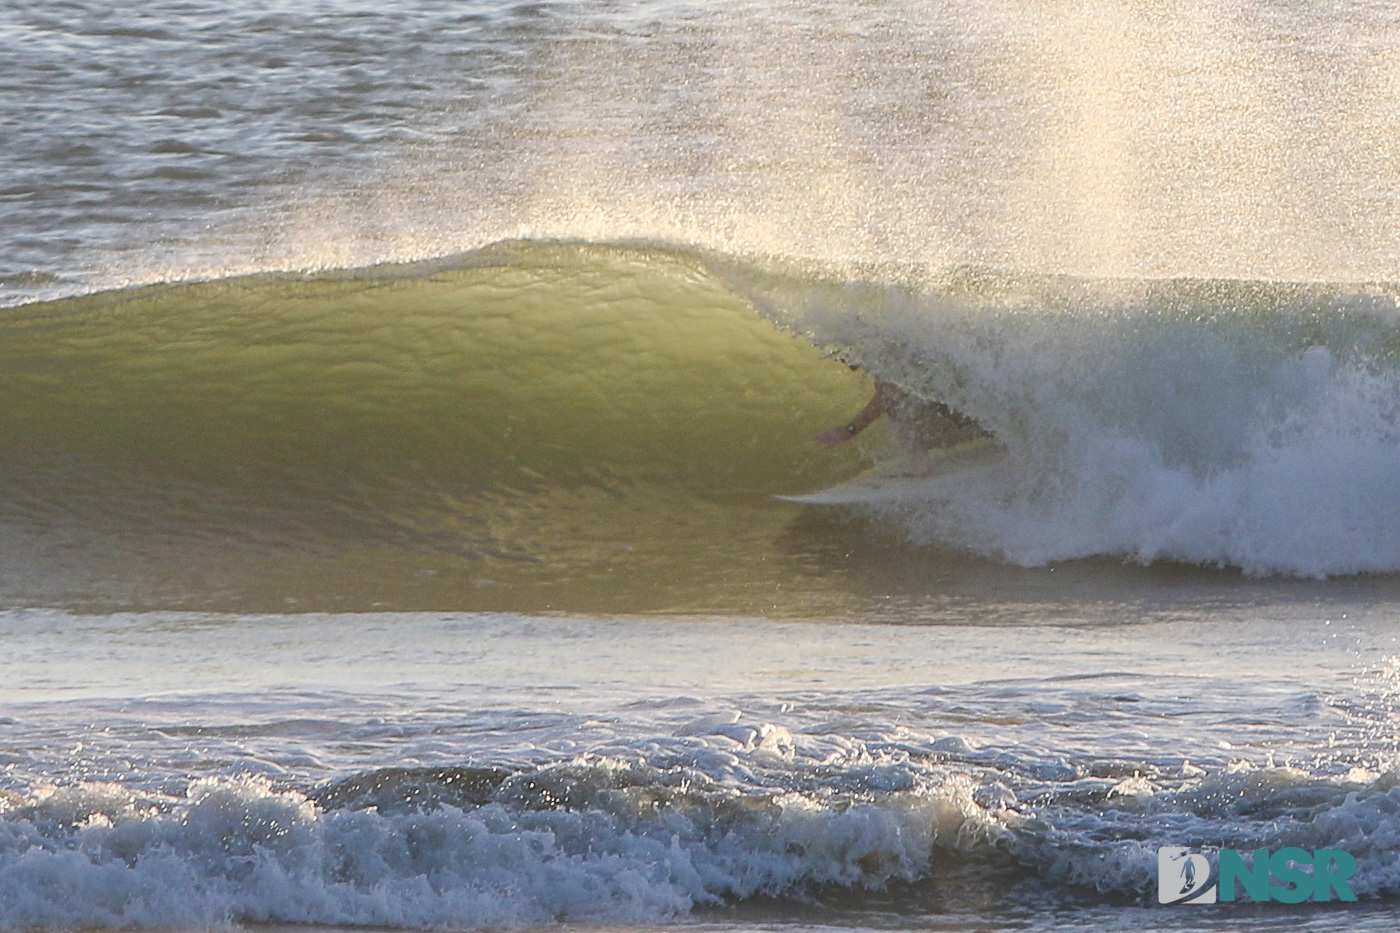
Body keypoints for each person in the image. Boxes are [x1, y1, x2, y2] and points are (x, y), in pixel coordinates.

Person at [816, 379, 989, 451]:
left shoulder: (883, 352)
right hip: (967, 401)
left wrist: (849, 430)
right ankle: (991, 431)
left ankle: (918, 461)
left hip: (958, 404)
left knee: (894, 397)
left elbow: (887, 394)